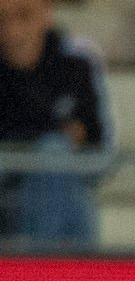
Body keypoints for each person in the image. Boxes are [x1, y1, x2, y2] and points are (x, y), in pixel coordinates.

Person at [0, 0, 109, 247]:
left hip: (60, 185)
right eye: (2, 20)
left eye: (23, 16)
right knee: (54, 150)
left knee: (54, 158)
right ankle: (64, 268)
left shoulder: (77, 65)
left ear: (46, 13)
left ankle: (47, 263)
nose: (12, 30)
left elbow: (97, 148)